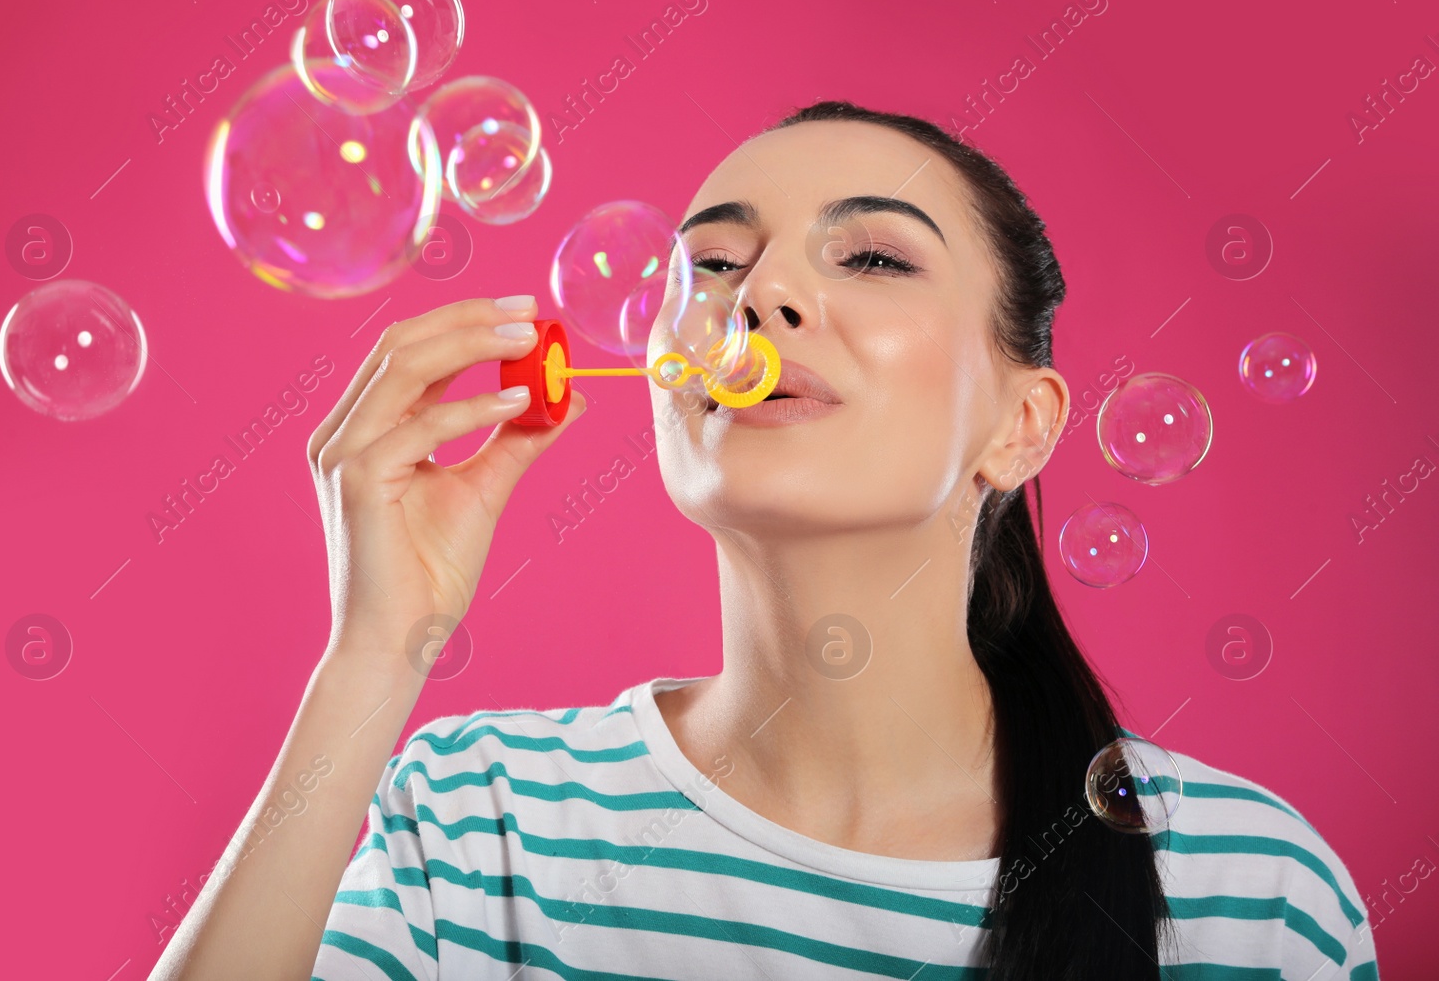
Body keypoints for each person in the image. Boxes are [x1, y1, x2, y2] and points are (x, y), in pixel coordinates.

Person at [147, 101, 1379, 980]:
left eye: (873, 255)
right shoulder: (480, 824)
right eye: (715, 262)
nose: (757, 297)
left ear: (1019, 422)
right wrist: (375, 649)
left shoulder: (1250, 891)